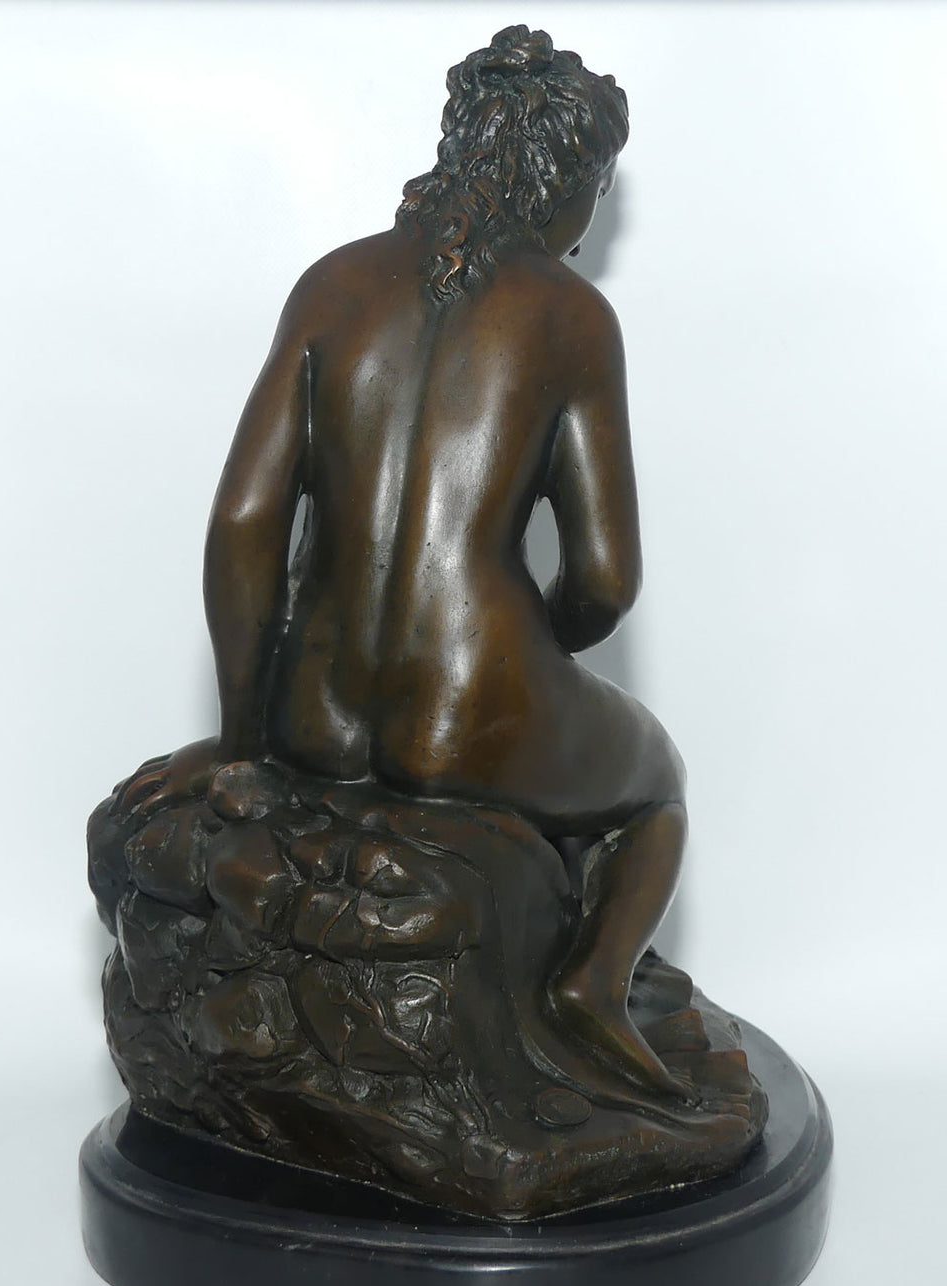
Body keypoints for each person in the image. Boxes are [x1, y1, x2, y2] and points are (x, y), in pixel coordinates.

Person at [115, 26, 690, 1102]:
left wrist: (244, 741)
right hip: (470, 711)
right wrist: (528, 655)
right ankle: (592, 987)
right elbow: (607, 581)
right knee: (655, 780)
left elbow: (243, 521)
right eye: (595, 190)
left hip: (309, 709)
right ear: (565, 176)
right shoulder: (571, 318)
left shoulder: (332, 286)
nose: (588, 223)